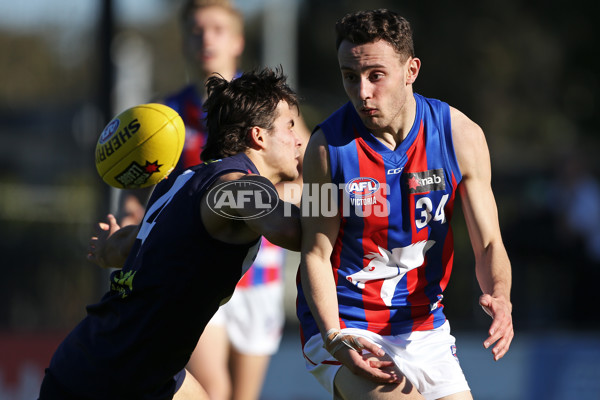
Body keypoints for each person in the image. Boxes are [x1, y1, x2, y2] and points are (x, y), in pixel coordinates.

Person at [38, 68, 303, 400]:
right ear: (258, 136)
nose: (299, 139)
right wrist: (352, 198)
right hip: (112, 377)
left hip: (112, 360)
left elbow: (138, 244)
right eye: (290, 127)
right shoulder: (236, 186)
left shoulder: (184, 180)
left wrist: (111, 247)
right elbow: (292, 229)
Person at [296, 9, 513, 400]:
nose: (362, 92)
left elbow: (489, 244)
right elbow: (315, 252)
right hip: (347, 324)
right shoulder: (325, 149)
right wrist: (333, 337)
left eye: (375, 75)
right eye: (350, 77)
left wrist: (500, 295)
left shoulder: (461, 137)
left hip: (425, 328)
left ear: (411, 70)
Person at [119, 1, 310, 399]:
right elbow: (140, 197)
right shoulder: (164, 118)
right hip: (199, 270)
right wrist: (129, 224)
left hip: (258, 272)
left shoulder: (269, 109)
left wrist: (274, 201)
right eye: (196, 29)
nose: (206, 38)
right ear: (184, 40)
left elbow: (305, 174)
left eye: (218, 29)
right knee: (212, 389)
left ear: (238, 40)